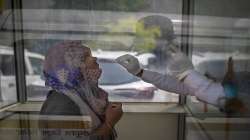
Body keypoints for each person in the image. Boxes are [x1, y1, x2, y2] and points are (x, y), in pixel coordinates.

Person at [116, 15, 246, 113]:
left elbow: (233, 103)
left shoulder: (194, 54)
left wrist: (188, 74)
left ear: (158, 35)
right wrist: (140, 72)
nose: (137, 39)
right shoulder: (174, 58)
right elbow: (182, 86)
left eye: (142, 35)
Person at [40, 41, 123, 140]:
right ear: (72, 66)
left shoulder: (81, 95)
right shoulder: (63, 103)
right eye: (86, 56)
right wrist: (109, 123)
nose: (94, 58)